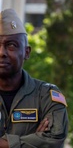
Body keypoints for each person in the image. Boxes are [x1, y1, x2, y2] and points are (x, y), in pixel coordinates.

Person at [0, 9, 68, 148]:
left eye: (11, 45)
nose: (2, 53)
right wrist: (34, 142)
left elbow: (54, 140)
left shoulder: (47, 97)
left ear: (26, 52)